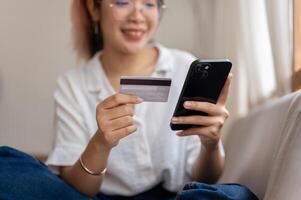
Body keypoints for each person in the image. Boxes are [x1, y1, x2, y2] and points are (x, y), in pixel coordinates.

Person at [0, 0, 258, 199]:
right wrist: (100, 143)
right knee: (6, 165)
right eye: (123, 2)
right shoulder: (73, 84)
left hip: (177, 196)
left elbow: (207, 177)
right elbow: (79, 189)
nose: (137, 16)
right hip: (99, 197)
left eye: (149, 3)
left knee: (235, 195)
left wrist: (210, 144)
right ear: (94, 8)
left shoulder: (183, 67)